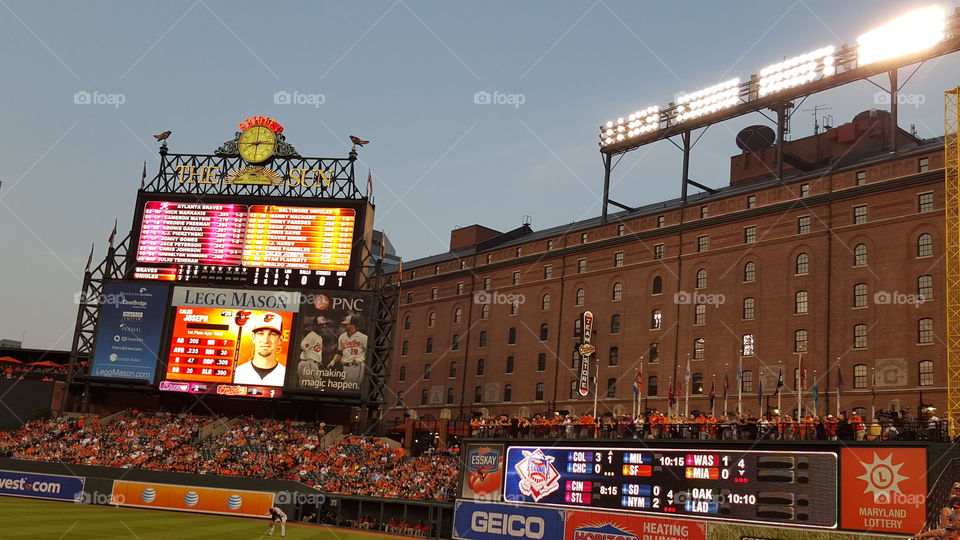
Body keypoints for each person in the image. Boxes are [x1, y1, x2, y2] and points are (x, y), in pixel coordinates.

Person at [233, 312, 286, 386]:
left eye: (272, 334)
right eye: (261, 334)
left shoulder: (286, 375)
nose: (265, 340)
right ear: (253, 337)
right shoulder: (237, 373)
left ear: (280, 339)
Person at [327, 315, 368, 385]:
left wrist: (361, 359)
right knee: (347, 389)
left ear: (353, 325)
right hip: (344, 368)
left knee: (349, 389)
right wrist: (333, 362)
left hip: (356, 367)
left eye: (347, 324)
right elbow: (340, 352)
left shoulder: (363, 337)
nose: (344, 325)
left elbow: (370, 352)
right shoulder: (342, 337)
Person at [296, 315, 333, 387]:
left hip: (311, 364)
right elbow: (301, 347)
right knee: (317, 388)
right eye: (321, 325)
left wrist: (321, 366)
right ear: (315, 326)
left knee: (306, 390)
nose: (324, 327)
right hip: (308, 364)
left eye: (325, 325)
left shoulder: (319, 337)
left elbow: (314, 354)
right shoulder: (312, 335)